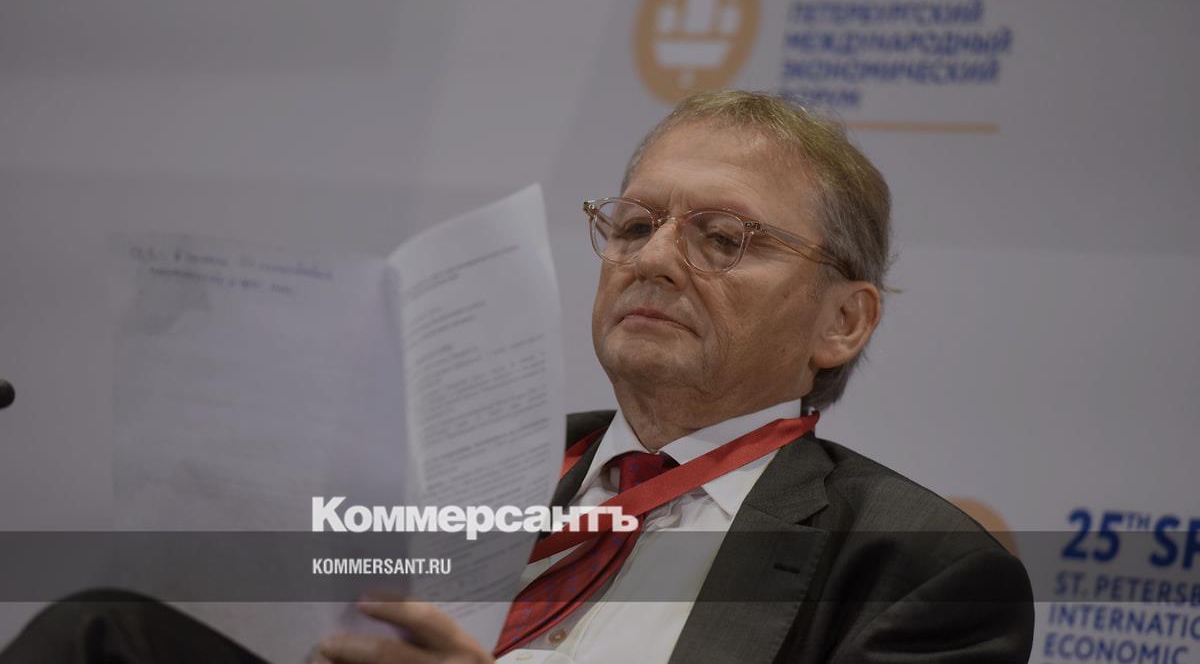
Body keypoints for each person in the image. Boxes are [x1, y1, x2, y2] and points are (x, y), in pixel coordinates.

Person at [0, 91, 1034, 663]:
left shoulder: (916, 567)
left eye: (722, 237)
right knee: (102, 635)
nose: (654, 258)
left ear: (844, 320)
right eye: (634, 224)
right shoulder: (457, 458)